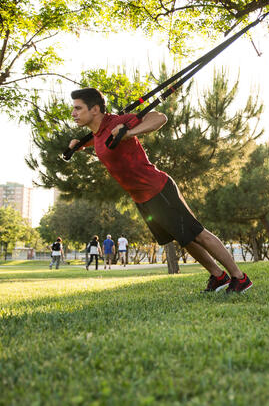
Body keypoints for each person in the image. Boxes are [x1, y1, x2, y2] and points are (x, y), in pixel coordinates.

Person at [69, 87, 252, 293]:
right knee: (184, 239)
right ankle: (219, 276)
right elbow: (105, 141)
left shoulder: (116, 122)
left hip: (157, 189)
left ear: (94, 109)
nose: (73, 113)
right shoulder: (98, 133)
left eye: (78, 108)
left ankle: (239, 277)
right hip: (141, 197)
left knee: (197, 233)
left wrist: (129, 133)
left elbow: (159, 117)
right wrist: (82, 146)